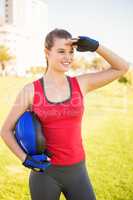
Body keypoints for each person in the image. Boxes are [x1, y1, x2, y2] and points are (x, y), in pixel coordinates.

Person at [0, 28, 129, 200]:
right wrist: (25, 159)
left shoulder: (81, 83)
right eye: (61, 51)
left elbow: (122, 67)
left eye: (71, 52)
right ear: (47, 52)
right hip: (45, 174)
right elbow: (6, 130)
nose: (68, 57)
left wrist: (96, 46)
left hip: (78, 172)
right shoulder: (30, 91)